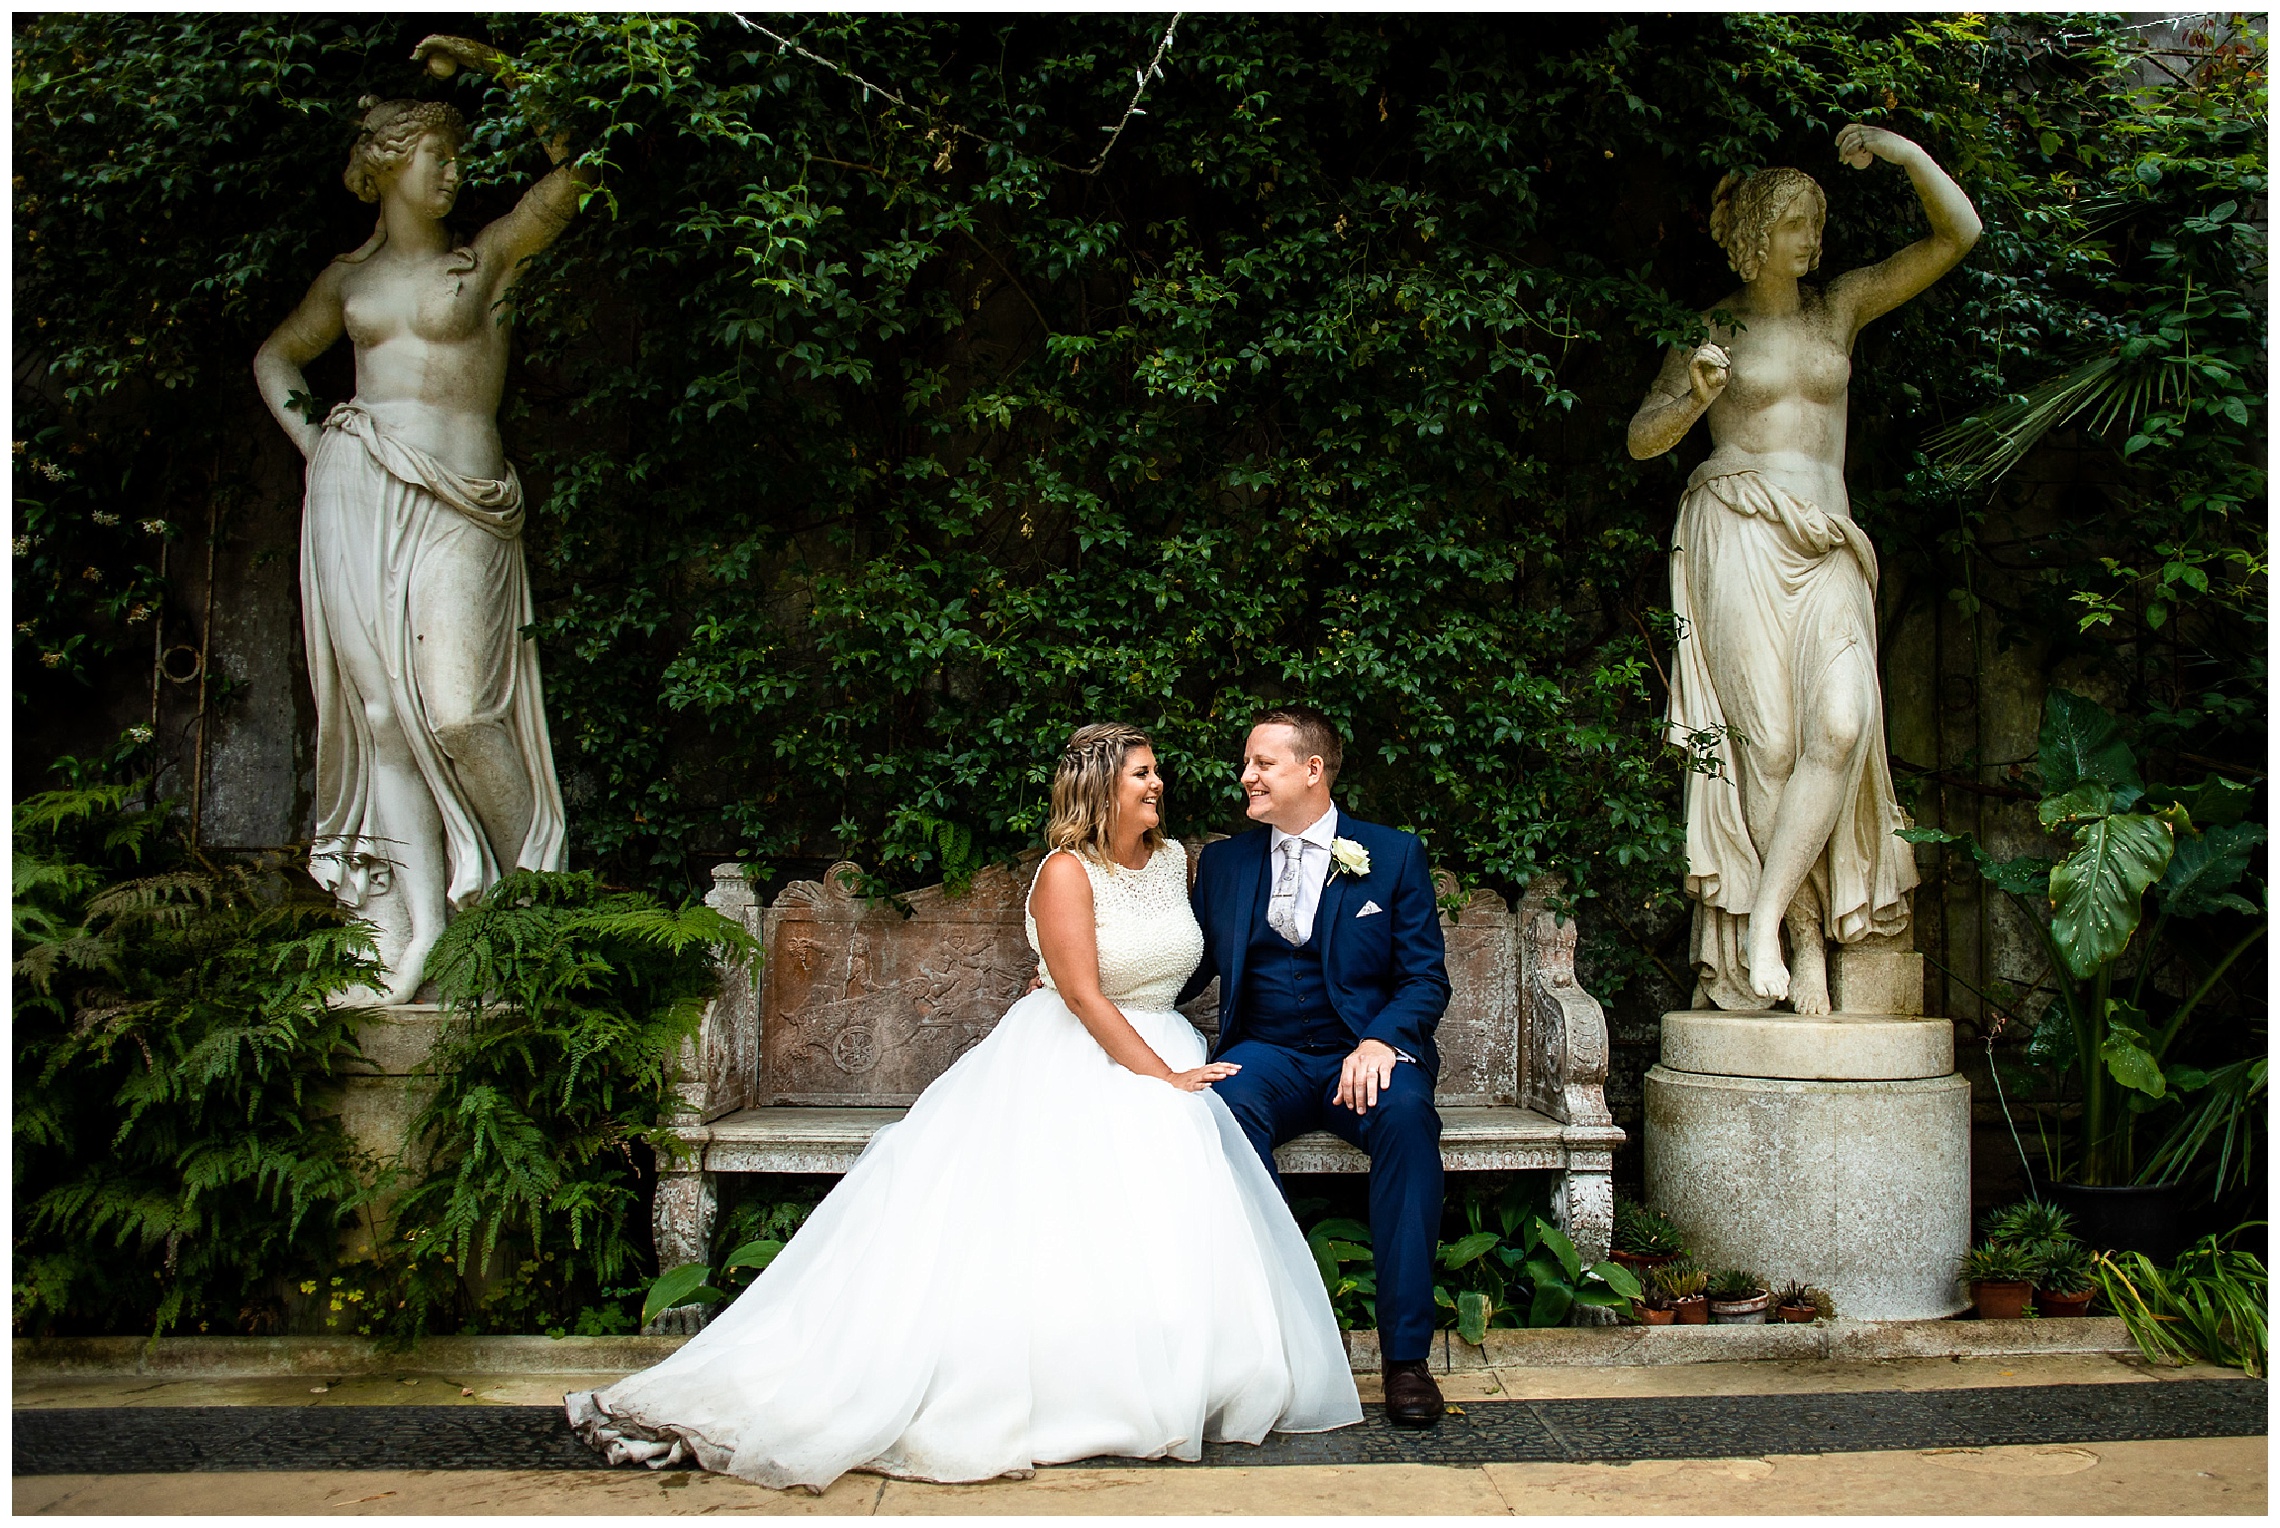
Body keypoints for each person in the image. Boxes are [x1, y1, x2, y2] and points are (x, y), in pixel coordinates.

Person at [566, 723, 1360, 1489]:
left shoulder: (1176, 860)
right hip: (1080, 1055)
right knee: (1072, 1197)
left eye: (1155, 772)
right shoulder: (1064, 872)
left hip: (1160, 1041)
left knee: (1175, 1179)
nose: (1160, 784)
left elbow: (1187, 958)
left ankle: (1181, 1372)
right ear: (1100, 790)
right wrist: (1162, 1076)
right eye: (1142, 775)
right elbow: (1081, 993)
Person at [252, 37, 591, 1003]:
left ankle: (531, 913)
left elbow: (577, 175)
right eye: (433, 156)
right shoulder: (348, 282)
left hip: (463, 499)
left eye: (455, 157)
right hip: (359, 493)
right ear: (387, 167)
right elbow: (278, 362)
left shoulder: (484, 262)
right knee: (379, 718)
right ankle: (416, 935)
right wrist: (321, 446)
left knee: (459, 708)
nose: (452, 171)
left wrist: (498, 66)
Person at [1627, 124, 1981, 1013]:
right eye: (1794, 220)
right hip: (1738, 527)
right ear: (1755, 231)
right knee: (1769, 749)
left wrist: (1903, 156)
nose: (1810, 237)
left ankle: (1765, 917)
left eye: (1815, 220)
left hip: (1826, 544)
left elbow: (1958, 236)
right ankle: (1800, 941)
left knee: (1841, 722)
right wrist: (1695, 397)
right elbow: (1642, 439)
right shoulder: (1710, 329)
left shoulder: (1841, 307)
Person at [1181, 705, 1454, 1428]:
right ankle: (1279, 1341)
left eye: (1262, 764)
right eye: (1247, 763)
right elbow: (1192, 963)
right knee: (1221, 1113)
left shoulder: (1390, 855)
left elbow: (1425, 980)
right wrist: (1082, 987)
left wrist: (1381, 1042)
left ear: (1313, 770)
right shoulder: (1227, 862)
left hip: (1359, 1054)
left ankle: (1405, 1360)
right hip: (1265, 1053)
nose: (1246, 777)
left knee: (1405, 1118)